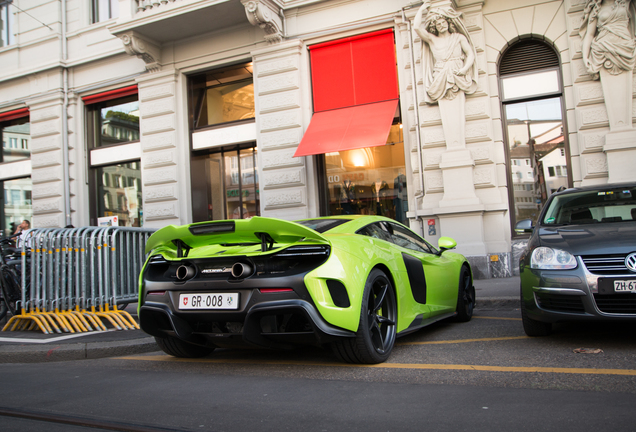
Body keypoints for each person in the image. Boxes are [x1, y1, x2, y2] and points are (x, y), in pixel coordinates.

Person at [414, 1, 478, 103]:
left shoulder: (458, 37)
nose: (441, 25)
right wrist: (421, 9)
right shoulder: (432, 39)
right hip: (440, 73)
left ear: (448, 23)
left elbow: (470, 54)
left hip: (457, 72)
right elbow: (416, 27)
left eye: (443, 22)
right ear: (434, 27)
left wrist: (465, 69)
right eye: (438, 24)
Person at [580, 0, 636, 79]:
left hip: (625, 47)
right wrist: (585, 57)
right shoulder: (596, 9)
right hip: (602, 48)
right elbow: (589, 34)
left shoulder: (627, 3)